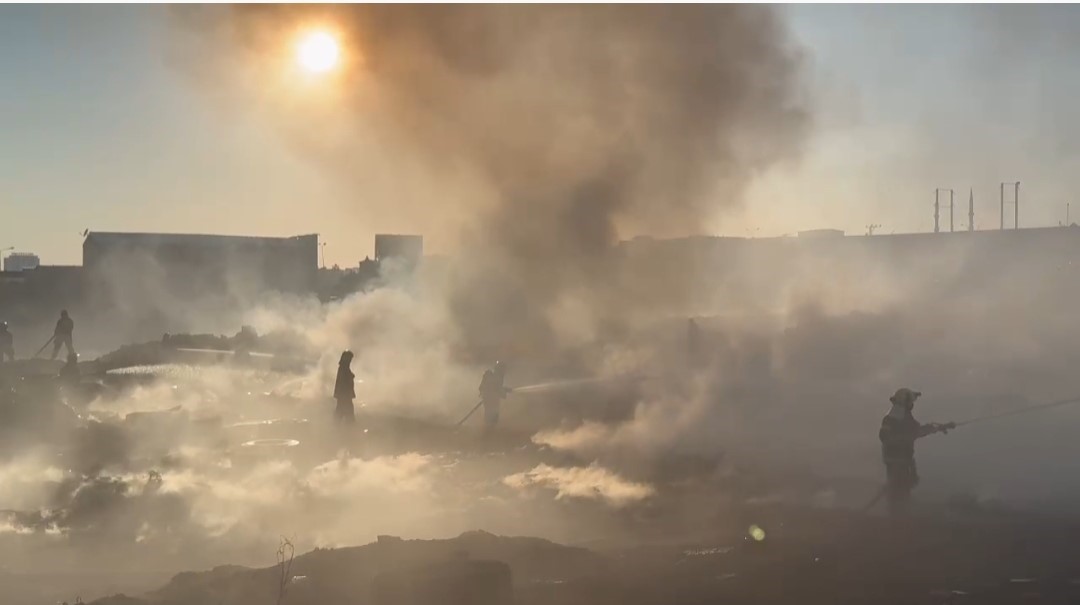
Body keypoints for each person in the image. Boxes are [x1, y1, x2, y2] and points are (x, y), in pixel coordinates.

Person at [878, 387, 954, 515]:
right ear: (905, 402)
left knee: (898, 492)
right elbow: (913, 432)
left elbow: (917, 430)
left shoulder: (899, 415)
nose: (912, 404)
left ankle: (897, 518)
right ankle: (897, 521)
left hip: (899, 461)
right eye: (911, 402)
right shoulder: (897, 417)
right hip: (899, 463)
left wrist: (940, 427)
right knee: (899, 494)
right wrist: (938, 428)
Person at [478, 361, 511, 430]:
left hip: (491, 399)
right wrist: (504, 391)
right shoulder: (495, 376)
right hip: (491, 399)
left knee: (492, 414)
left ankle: (489, 429)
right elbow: (496, 388)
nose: (504, 371)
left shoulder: (495, 376)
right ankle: (489, 430)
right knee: (491, 414)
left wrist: (505, 390)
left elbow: (497, 387)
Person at [333, 350, 356, 424]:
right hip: (345, 396)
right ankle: (348, 431)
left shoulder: (343, 368)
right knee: (347, 414)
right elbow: (343, 382)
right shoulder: (344, 368)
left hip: (343, 395)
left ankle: (336, 429)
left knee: (340, 413)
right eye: (350, 359)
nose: (350, 361)